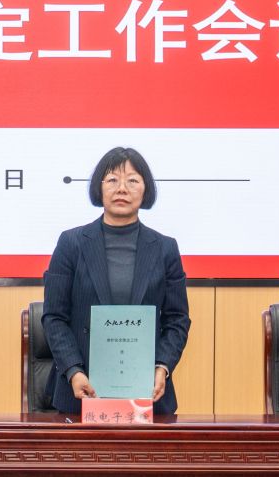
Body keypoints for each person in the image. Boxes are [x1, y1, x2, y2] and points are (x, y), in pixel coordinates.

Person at [40, 146, 191, 416]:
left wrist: (162, 367)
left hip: (147, 393)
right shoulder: (71, 243)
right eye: (112, 180)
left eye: (132, 180)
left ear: (146, 189)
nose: (122, 188)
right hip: (81, 391)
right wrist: (74, 371)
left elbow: (177, 319)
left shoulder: (165, 248)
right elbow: (54, 317)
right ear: (99, 188)